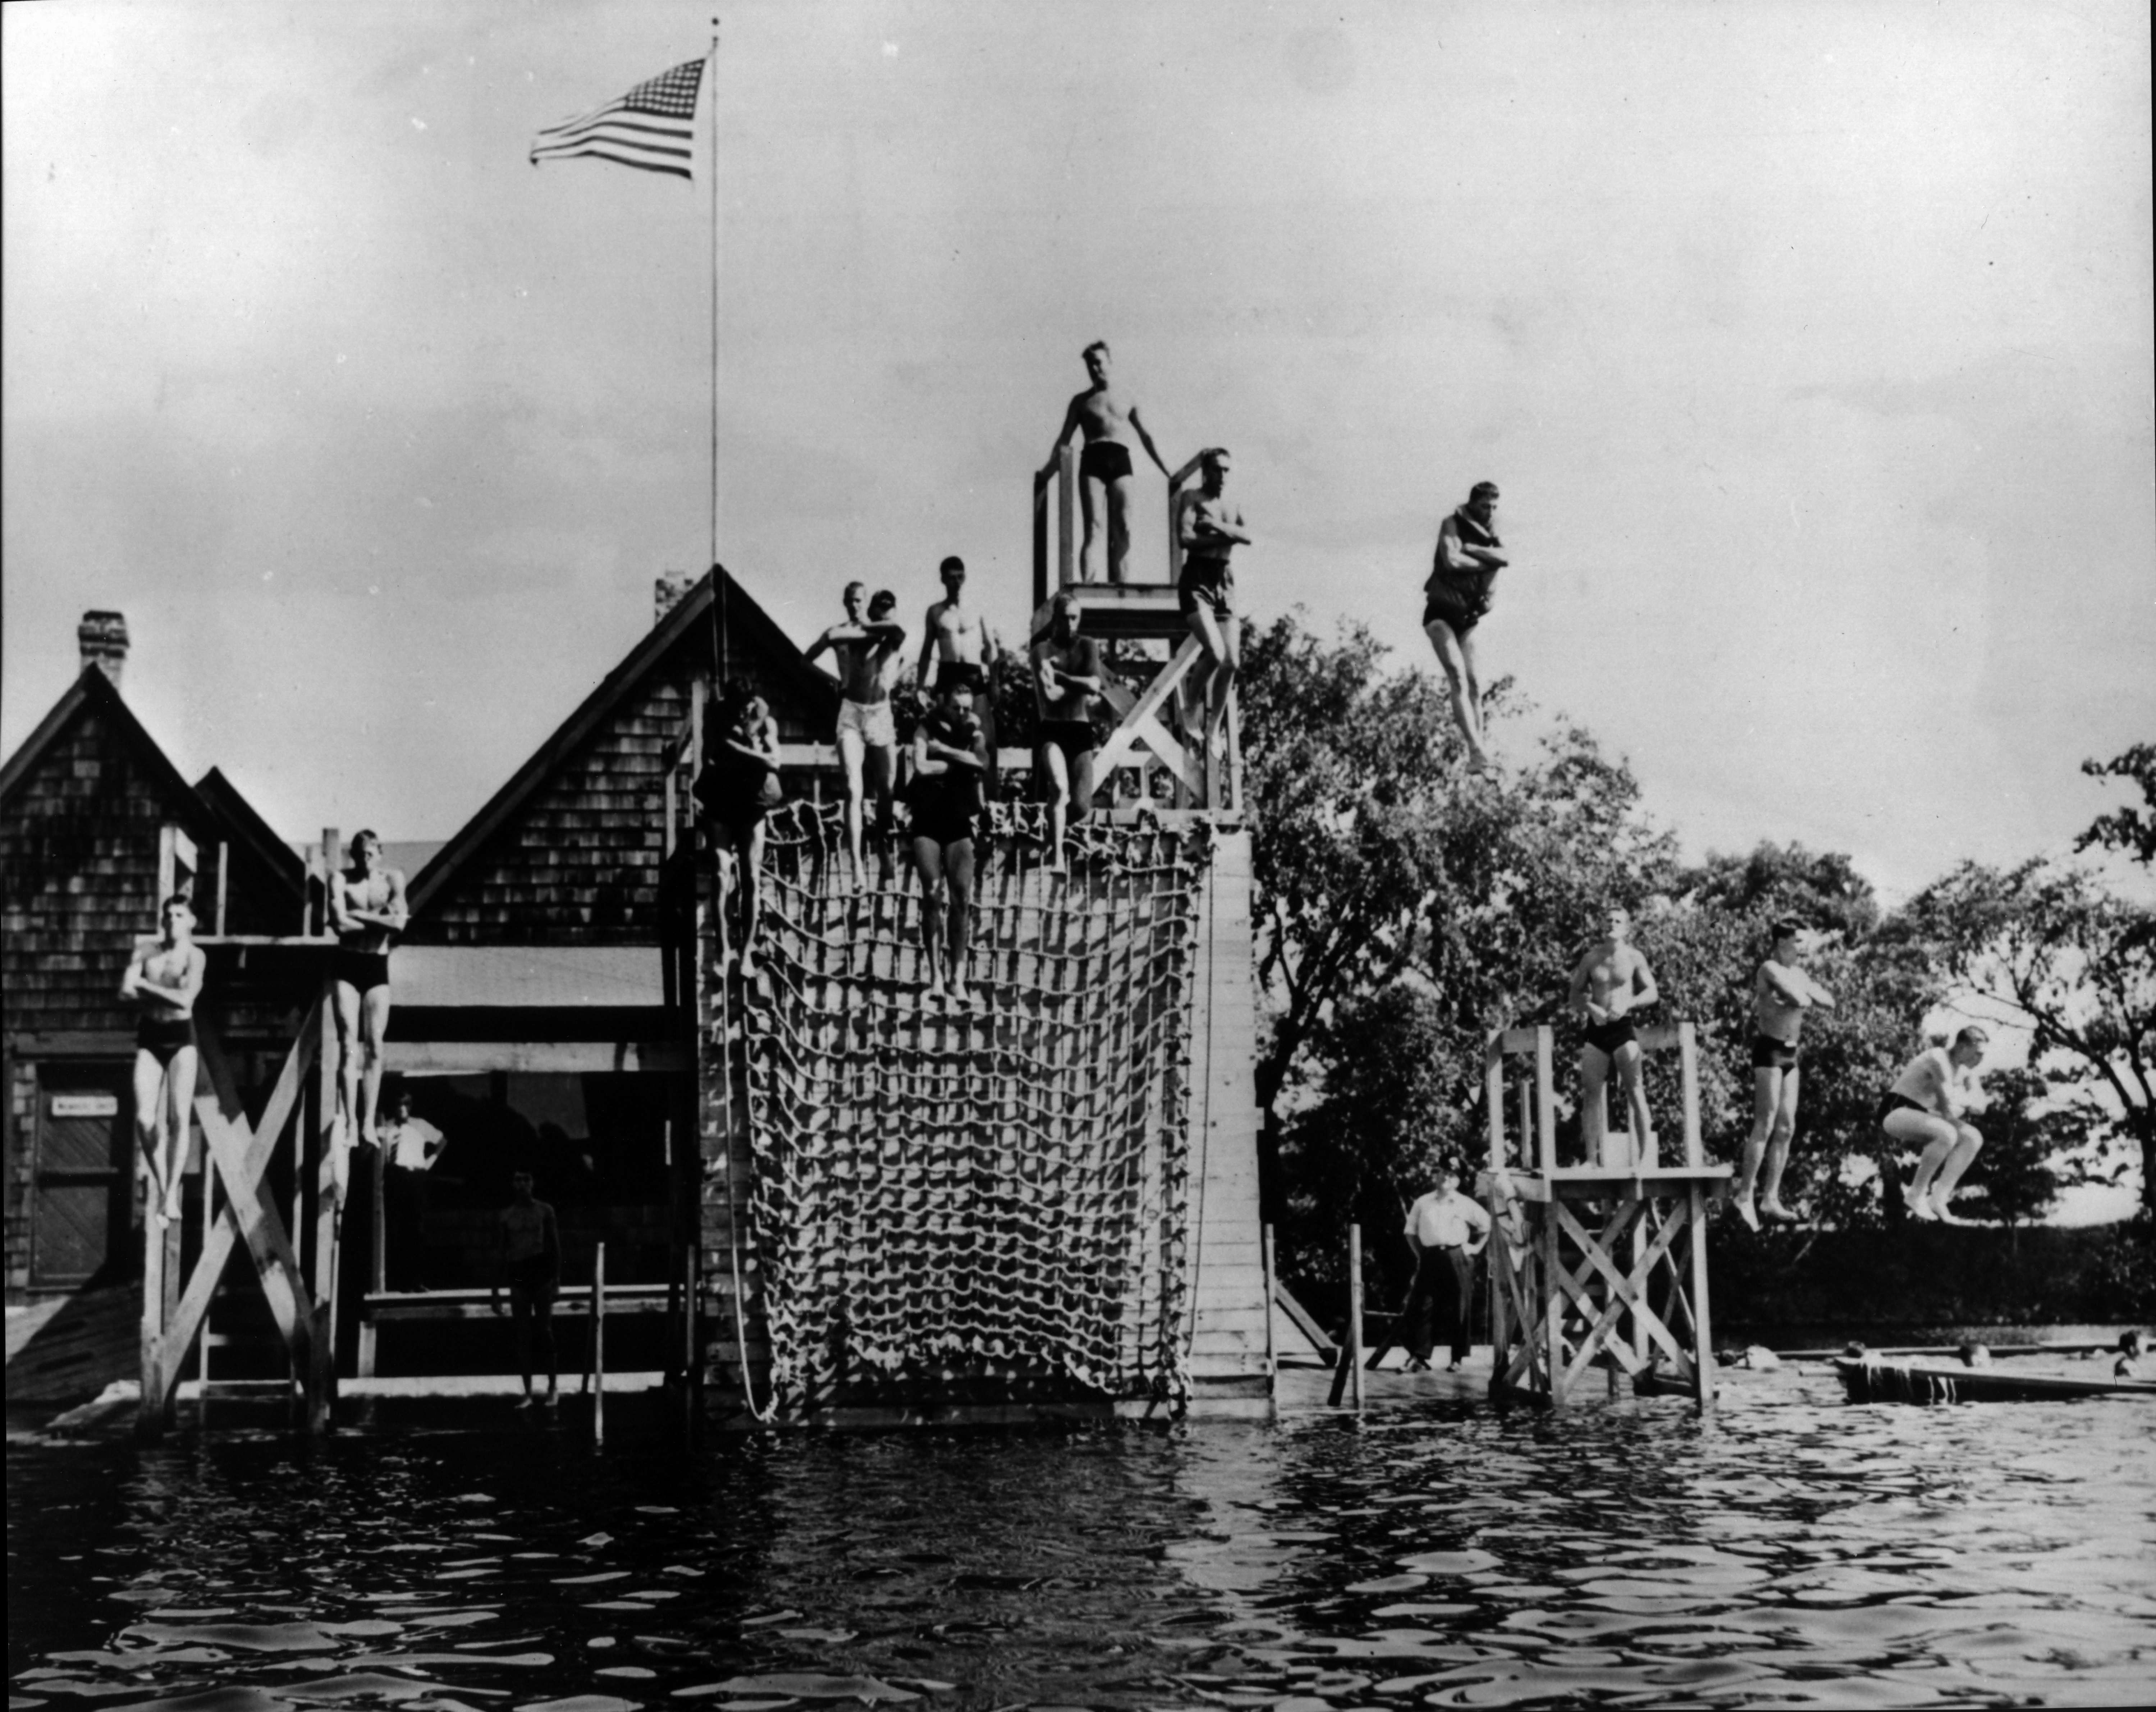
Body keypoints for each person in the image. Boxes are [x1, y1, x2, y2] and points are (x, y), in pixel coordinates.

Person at [1731, 919, 1838, 1231]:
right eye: (1799, 941)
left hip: (1791, 1054)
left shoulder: (1798, 974)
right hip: (1769, 1051)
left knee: (1787, 1127)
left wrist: (1803, 990)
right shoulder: (1769, 969)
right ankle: (1745, 1195)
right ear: (1781, 942)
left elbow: (1827, 1001)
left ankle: (1771, 1197)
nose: (1804, 948)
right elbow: (1802, 1000)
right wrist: (1803, 992)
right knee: (1764, 1124)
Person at [1042, 340, 1174, 585]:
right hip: (1092, 459)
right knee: (1093, 527)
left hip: (1120, 458)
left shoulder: (1128, 397)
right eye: (1090, 365)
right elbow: (1064, 440)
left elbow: (1146, 437)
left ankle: (1122, 587)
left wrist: (1168, 471)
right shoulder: (1081, 401)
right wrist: (1046, 473)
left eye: (1099, 363)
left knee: (1123, 528)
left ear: (1110, 363)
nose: (1095, 369)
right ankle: (1088, 586)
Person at [804, 584, 907, 888]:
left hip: (880, 714)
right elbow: (833, 638)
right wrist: (833, 680)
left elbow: (898, 629)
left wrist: (873, 627)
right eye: (850, 602)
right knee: (853, 788)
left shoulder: (891, 636)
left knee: (887, 790)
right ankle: (857, 870)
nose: (854, 606)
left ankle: (884, 848)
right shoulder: (851, 633)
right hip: (851, 713)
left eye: (859, 601)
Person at [121, 893, 207, 1217]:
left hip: (181, 1039)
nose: (172, 921)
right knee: (145, 1118)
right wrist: (149, 988)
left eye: (180, 915)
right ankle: (161, 1185)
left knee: (179, 1118)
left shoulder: (196, 956)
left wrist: (147, 986)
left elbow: (186, 1001)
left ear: (191, 922)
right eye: (168, 915)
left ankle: (171, 1195)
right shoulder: (146, 951)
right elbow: (125, 990)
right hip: (151, 1037)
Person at [908, 679, 990, 1004]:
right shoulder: (924, 727)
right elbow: (920, 767)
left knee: (961, 898)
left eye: (967, 709)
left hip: (958, 820)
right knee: (931, 894)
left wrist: (943, 752)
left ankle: (958, 978)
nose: (961, 713)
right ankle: (936, 979)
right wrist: (961, 764)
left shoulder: (975, 733)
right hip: (927, 819)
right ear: (944, 705)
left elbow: (982, 763)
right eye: (956, 708)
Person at [695, 681, 783, 978]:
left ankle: (746, 955)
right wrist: (747, 753)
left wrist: (742, 751)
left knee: (751, 875)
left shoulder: (765, 719)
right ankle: (723, 952)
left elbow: (776, 761)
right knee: (721, 869)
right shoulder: (718, 718)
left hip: (752, 803)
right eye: (737, 710)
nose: (742, 714)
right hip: (721, 799)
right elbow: (711, 755)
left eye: (745, 709)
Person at [330, 830, 408, 1154]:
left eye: (370, 854)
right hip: (347, 965)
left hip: (377, 966)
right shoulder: (340, 878)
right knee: (349, 1041)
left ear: (379, 853)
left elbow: (400, 923)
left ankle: (366, 1124)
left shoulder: (393, 878)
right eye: (359, 854)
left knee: (375, 1043)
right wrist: (378, 920)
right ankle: (350, 1123)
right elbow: (338, 923)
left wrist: (358, 916)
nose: (365, 859)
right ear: (353, 855)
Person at [1566, 904, 1662, 1163]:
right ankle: (1590, 1159)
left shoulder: (1634, 957)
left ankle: (1645, 1158)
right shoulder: (1591, 958)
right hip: (1596, 1029)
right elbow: (1574, 994)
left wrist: (1627, 1004)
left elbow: (1652, 992)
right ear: (1602, 924)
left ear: (1627, 928)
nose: (1612, 924)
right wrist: (1591, 1007)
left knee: (1635, 1089)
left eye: (1618, 921)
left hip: (1622, 1028)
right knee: (1591, 1092)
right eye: (1608, 920)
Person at [1422, 481, 1507, 772]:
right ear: (1472, 503)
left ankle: (1479, 756)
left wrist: (1472, 549)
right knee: (1457, 677)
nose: (1489, 512)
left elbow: (1505, 557)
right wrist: (1484, 561)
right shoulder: (1452, 524)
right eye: (1485, 506)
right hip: (1440, 614)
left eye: (1494, 507)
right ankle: (1474, 748)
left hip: (1467, 619)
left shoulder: (1489, 532)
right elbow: (1452, 561)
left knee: (1475, 684)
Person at [1175, 448, 1249, 766]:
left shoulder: (1231, 505)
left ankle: (1214, 727)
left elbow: (1246, 536)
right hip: (1197, 580)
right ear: (1206, 471)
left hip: (1225, 582)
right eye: (1218, 470)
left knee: (1231, 661)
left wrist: (1218, 529)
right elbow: (1185, 538)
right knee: (1215, 653)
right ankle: (1190, 706)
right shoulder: (1192, 496)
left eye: (1227, 471)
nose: (1223, 477)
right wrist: (1224, 538)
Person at [1878, 1026, 1990, 1223]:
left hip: (1923, 1114)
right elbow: (1949, 1104)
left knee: (1973, 1138)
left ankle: (1939, 1199)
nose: (1980, 1060)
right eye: (1978, 1054)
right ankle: (1916, 1195)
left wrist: (1964, 1101)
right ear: (1963, 1048)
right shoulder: (1938, 1057)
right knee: (1947, 1133)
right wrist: (1965, 1100)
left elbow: (1981, 1106)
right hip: (1895, 1111)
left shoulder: (1966, 1071)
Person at [1031, 591, 1108, 871]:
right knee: (1059, 789)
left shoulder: (1088, 646)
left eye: (1075, 618)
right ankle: (1058, 857)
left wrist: (1063, 677)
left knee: (1080, 806)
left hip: (1079, 729)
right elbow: (1050, 694)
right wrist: (1076, 683)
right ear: (1055, 619)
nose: (1070, 624)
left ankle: (1051, 839)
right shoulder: (1041, 651)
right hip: (1052, 730)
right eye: (1064, 618)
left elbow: (1095, 686)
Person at [918, 556, 1002, 791]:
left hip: (974, 676)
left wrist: (994, 683)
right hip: (947, 675)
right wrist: (919, 686)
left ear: (965, 577)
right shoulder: (935, 612)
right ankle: (946, 796)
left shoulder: (977, 609)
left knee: (986, 738)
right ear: (943, 579)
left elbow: (991, 647)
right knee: (943, 736)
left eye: (960, 577)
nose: (956, 582)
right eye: (951, 578)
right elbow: (926, 651)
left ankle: (990, 802)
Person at [1399, 1162, 1492, 1373]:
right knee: (1423, 1305)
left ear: (1458, 1180)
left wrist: (1476, 1248)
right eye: (1442, 1172)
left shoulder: (1465, 1203)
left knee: (1460, 1306)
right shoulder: (1423, 1202)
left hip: (1457, 1256)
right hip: (1430, 1256)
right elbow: (1410, 1232)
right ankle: (1419, 1357)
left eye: (1451, 1175)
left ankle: (1457, 1358)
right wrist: (1421, 1255)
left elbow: (1487, 1225)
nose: (1446, 1178)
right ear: (1436, 1175)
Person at [490, 1167, 561, 1409]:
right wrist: (495, 1291)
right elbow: (501, 1252)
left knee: (545, 1332)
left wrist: (557, 1281)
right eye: (518, 1180)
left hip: (541, 1273)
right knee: (523, 1337)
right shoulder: (506, 1215)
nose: (522, 1185)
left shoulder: (545, 1211)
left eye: (526, 1180)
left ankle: (553, 1388)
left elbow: (554, 1246)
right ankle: (528, 1392)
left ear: (533, 1182)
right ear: (513, 1184)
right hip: (519, 1275)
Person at [377, 1086, 444, 1290]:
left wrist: (430, 1161)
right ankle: (396, 1282)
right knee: (394, 1229)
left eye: (406, 1104)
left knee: (415, 1230)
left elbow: (442, 1141)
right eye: (399, 1104)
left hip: (415, 1177)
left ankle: (416, 1281)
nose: (402, 1108)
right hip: (394, 1177)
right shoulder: (385, 1128)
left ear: (411, 1106)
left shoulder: (420, 1126)